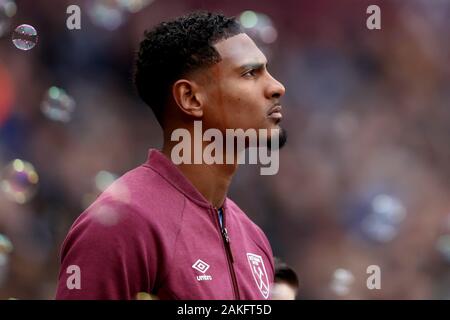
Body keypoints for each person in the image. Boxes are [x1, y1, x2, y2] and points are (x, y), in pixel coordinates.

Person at [55, 11, 286, 300]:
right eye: (250, 73)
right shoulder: (124, 225)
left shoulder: (253, 238)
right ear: (190, 98)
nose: (277, 87)